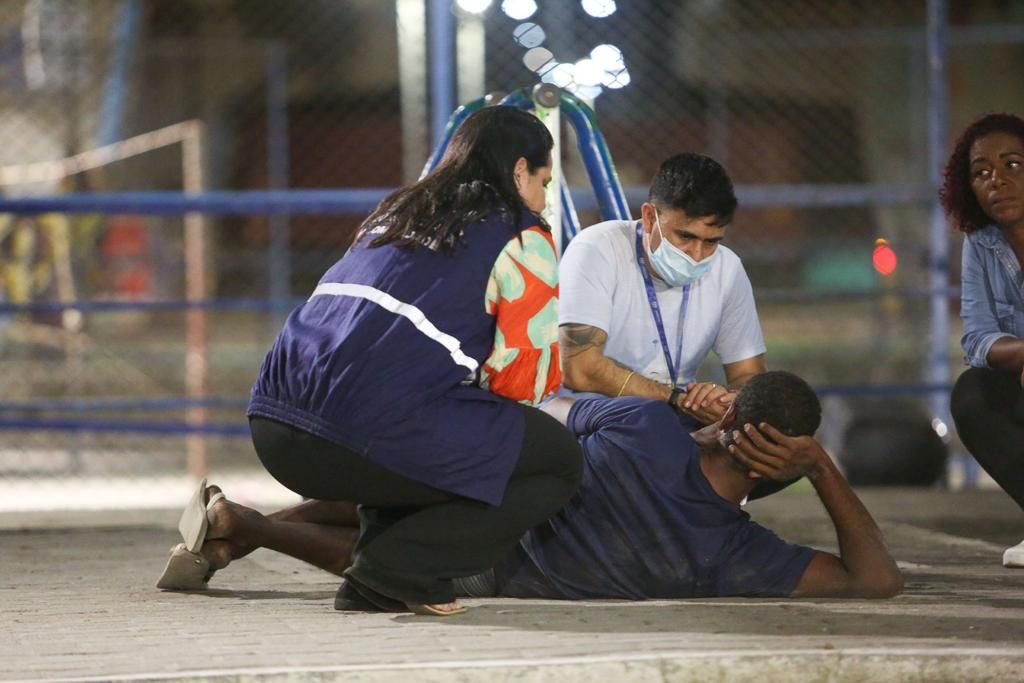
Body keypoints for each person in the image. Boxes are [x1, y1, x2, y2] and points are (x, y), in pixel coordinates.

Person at [156, 106, 583, 615]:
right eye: (544, 181)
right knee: (555, 459)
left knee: (429, 441)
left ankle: (346, 566)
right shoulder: (520, 235)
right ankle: (399, 570)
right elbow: (521, 381)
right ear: (518, 172)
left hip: (273, 423)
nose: (543, 198)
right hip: (365, 431)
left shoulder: (396, 211)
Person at [155, 372, 902, 603]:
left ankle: (237, 524)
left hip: (490, 498)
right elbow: (877, 580)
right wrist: (825, 469)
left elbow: (549, 411)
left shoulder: (645, 424)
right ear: (785, 466)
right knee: (421, 563)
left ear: (731, 412)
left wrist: (680, 408)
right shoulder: (736, 550)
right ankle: (243, 525)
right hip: (500, 567)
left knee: (440, 497)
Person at [558, 153, 766, 427]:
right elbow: (580, 370)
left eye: (711, 242)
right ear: (648, 217)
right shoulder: (597, 249)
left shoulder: (727, 269)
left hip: (672, 414)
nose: (697, 254)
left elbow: (749, 377)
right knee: (652, 427)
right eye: (686, 236)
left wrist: (723, 400)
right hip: (586, 409)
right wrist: (677, 400)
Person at [943, 112, 1024, 568]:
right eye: (982, 172)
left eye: (1013, 164)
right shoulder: (980, 243)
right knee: (973, 393)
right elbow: (977, 339)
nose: (998, 180)